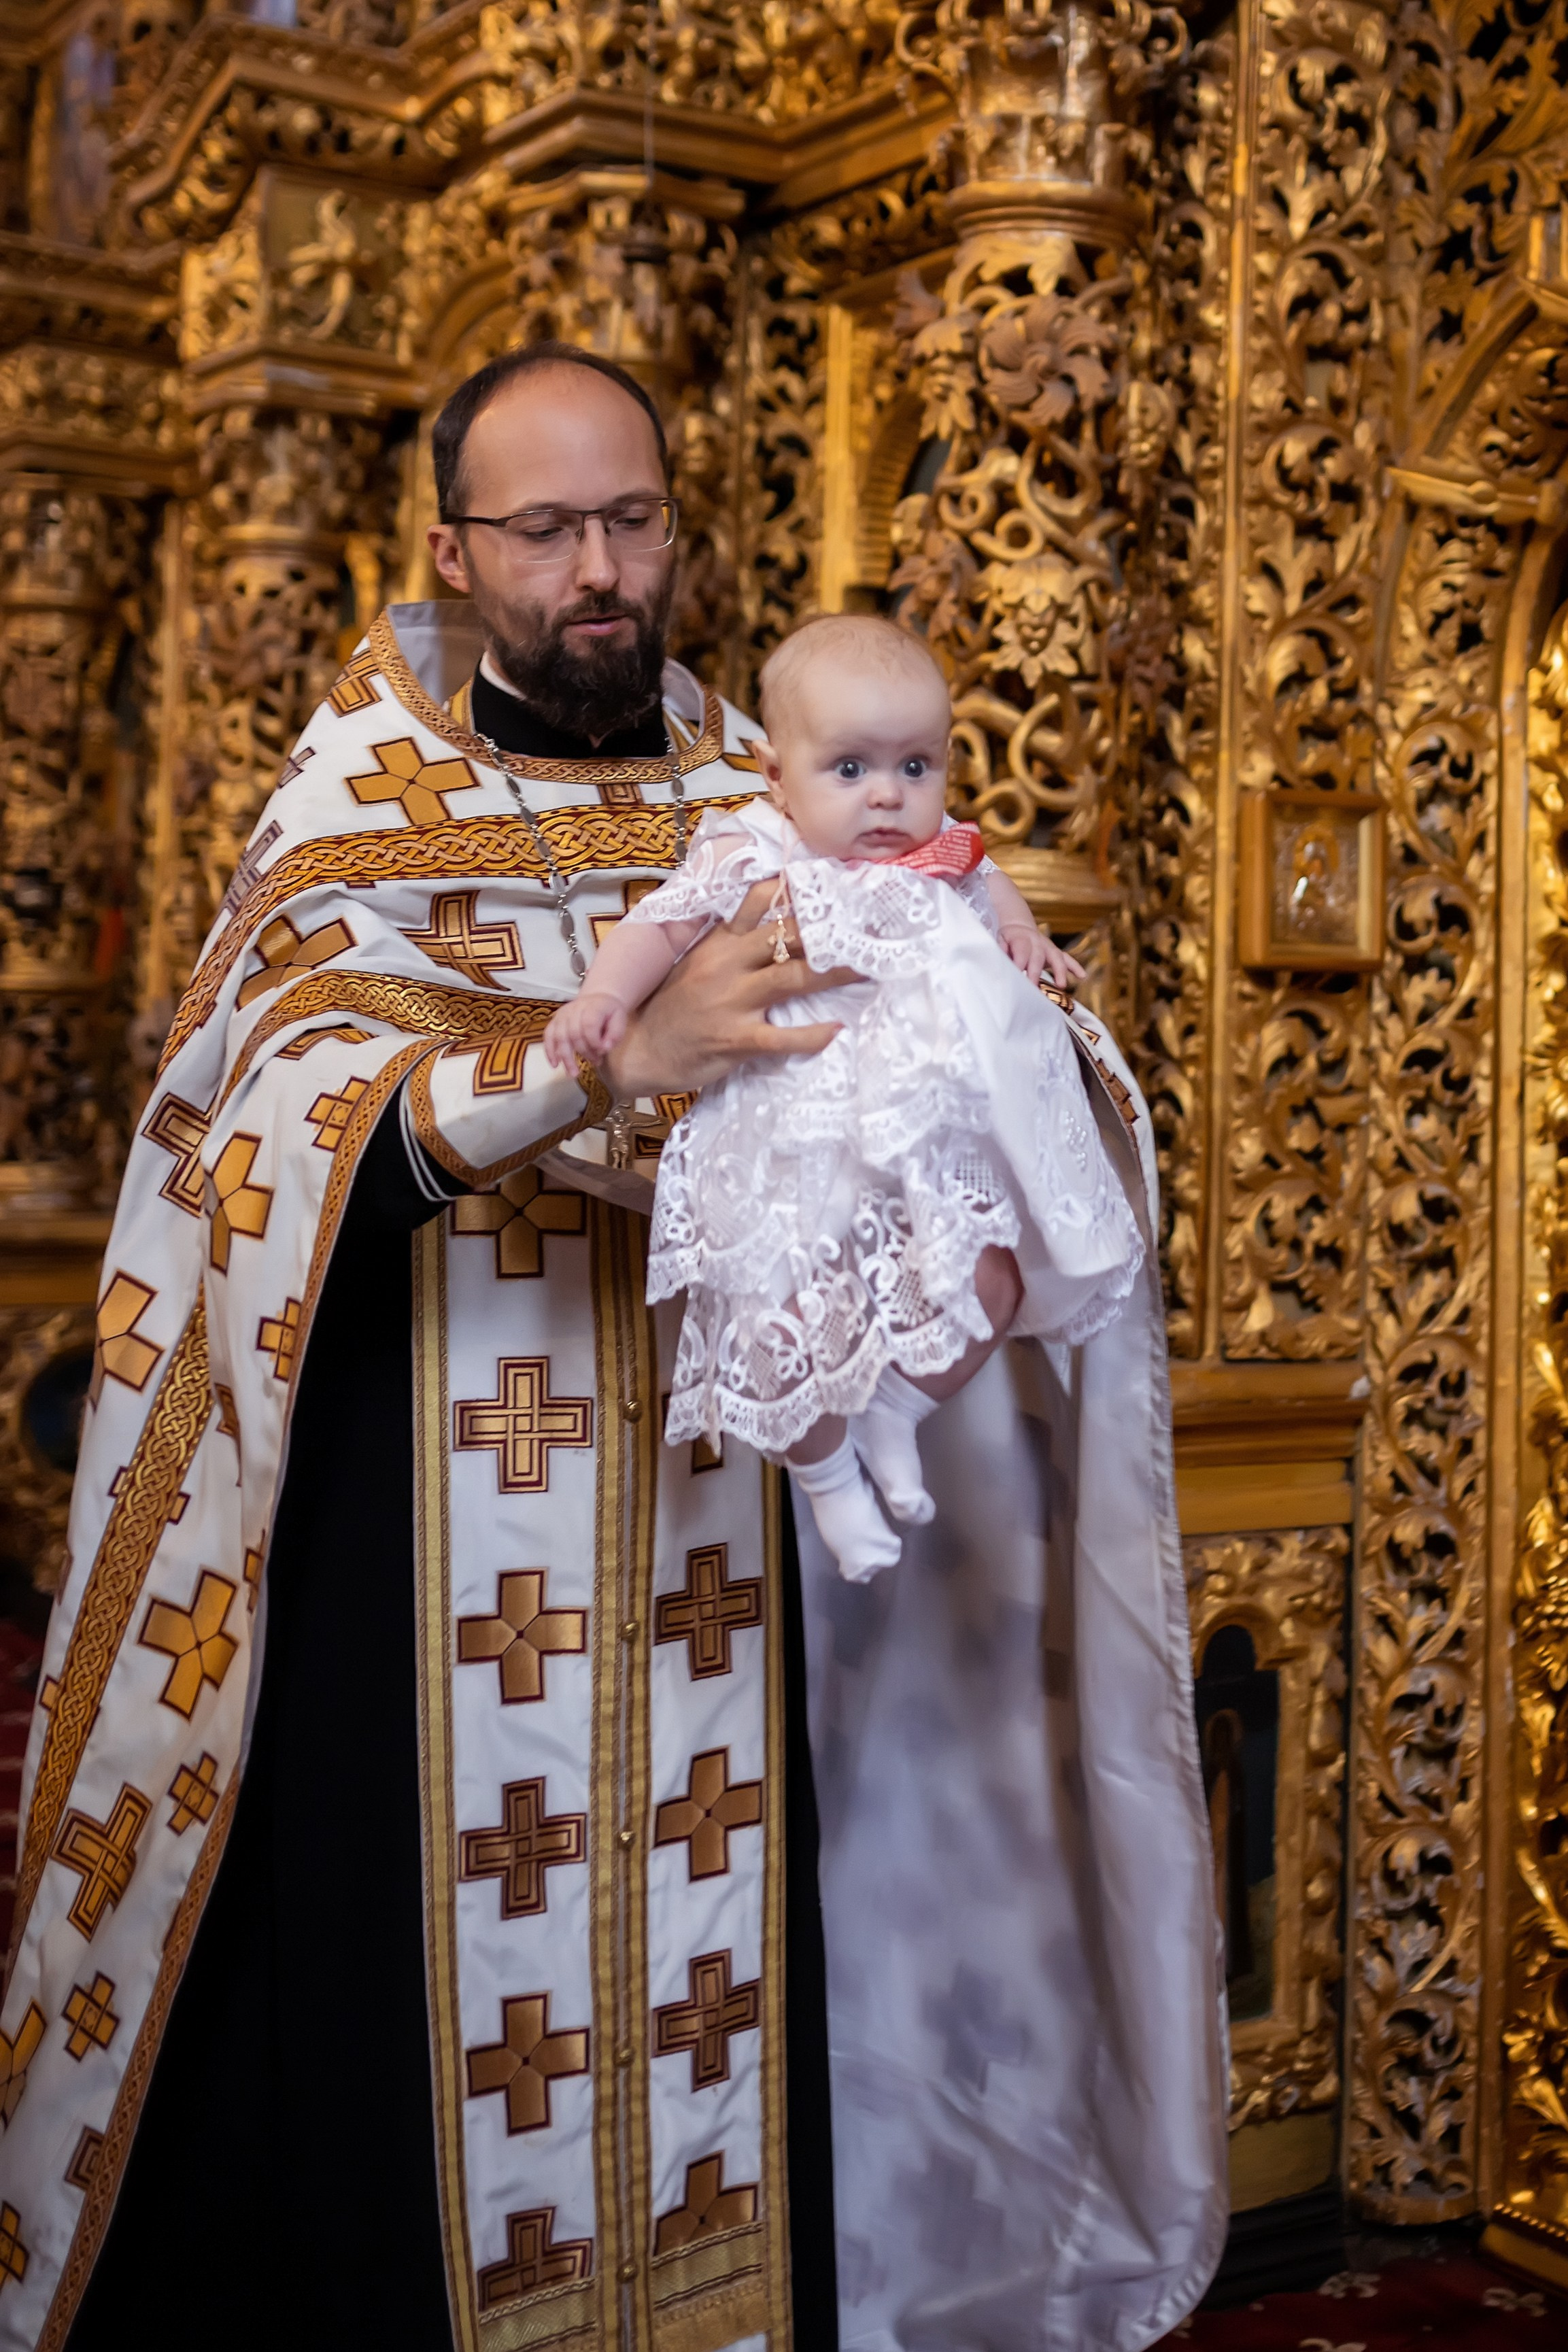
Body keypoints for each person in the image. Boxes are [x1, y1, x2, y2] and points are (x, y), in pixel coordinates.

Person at [0, 342, 1227, 2352]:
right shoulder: (358, 797)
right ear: (452, 548)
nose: (598, 569)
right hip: (429, 1529)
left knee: (735, 1991)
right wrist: (595, 1066)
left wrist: (1044, 1062)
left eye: (634, 522)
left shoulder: (780, 778)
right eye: (548, 528)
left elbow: (980, 1019)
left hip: (729, 1534)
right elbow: (259, 1127)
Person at [544, 615, 1144, 1583]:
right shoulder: (755, 850)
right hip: (795, 1128)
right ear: (778, 778)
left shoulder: (945, 854)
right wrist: (604, 998)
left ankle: (898, 1414)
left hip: (916, 1134)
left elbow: (993, 888)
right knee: (783, 1324)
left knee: (994, 1281)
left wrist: (1022, 936)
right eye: (851, 769)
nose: (887, 796)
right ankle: (828, 1480)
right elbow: (658, 926)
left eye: (916, 767)